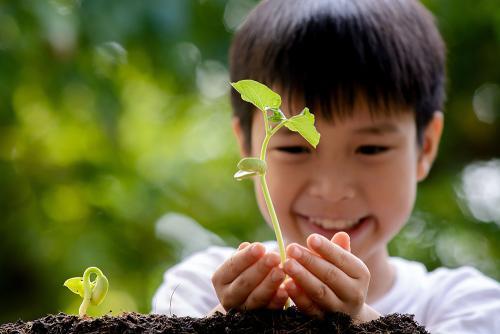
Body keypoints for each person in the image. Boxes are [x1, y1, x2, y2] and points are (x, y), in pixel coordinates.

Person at [152, 0, 500, 332]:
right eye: (293, 149)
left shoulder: (467, 305)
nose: (332, 189)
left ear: (425, 147)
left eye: (370, 148)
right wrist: (224, 323)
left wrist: (363, 324)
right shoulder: (197, 288)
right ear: (246, 143)